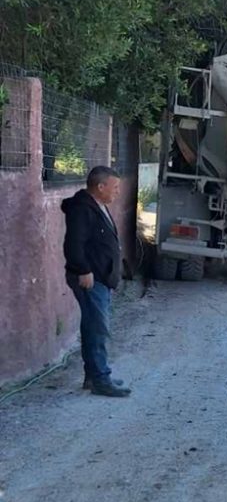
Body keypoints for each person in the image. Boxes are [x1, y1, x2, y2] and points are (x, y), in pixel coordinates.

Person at [62, 165, 131, 397]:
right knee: (98, 329)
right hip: (91, 279)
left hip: (101, 278)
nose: (118, 192)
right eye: (115, 187)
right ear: (100, 187)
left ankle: (93, 377)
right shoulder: (82, 209)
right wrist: (83, 270)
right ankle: (101, 379)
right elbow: (73, 244)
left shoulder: (98, 205)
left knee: (93, 326)